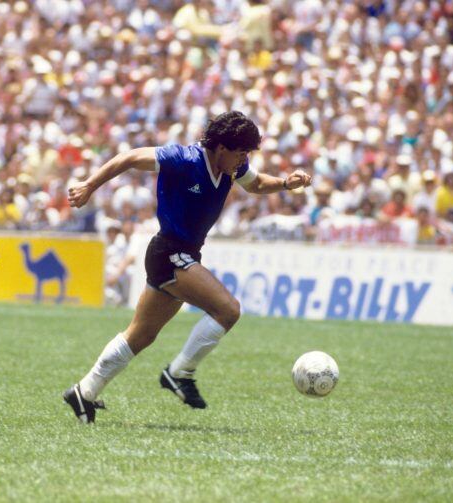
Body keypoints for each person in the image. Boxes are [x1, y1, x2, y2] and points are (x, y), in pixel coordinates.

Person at [62, 111, 312, 423]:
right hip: (169, 252)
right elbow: (129, 158)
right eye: (241, 152)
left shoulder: (234, 167)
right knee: (228, 310)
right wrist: (89, 185)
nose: (244, 159)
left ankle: (84, 392)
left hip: (183, 253)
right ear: (222, 147)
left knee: (140, 335)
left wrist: (286, 183)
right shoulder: (182, 158)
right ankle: (179, 373)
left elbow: (257, 184)